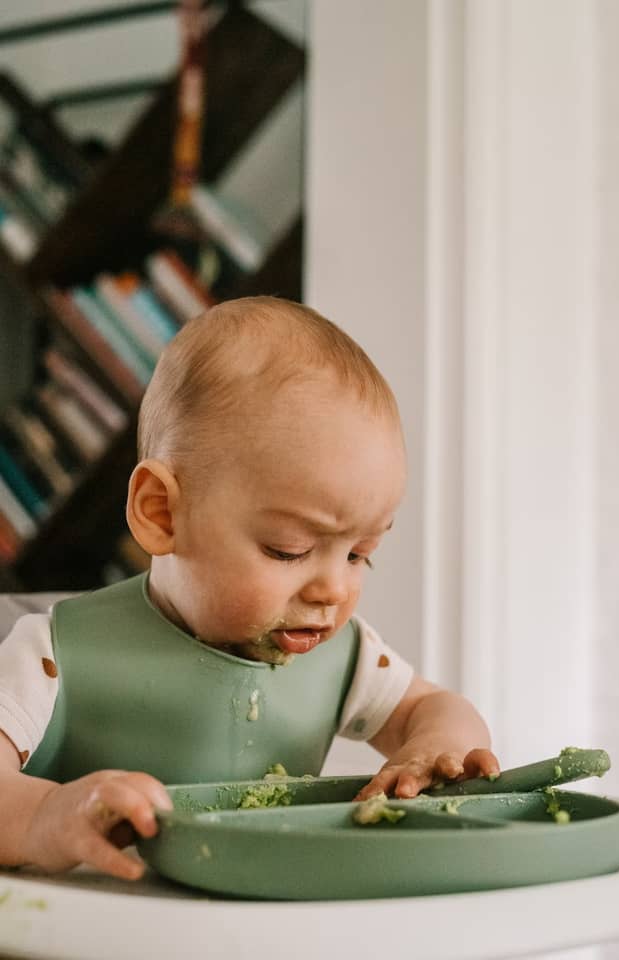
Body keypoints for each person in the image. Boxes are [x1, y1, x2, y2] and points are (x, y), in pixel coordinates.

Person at [0, 296, 499, 881]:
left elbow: (431, 707)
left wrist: (434, 747)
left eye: (362, 554)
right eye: (288, 550)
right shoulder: (53, 654)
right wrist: (46, 817)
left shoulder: (347, 658)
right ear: (162, 513)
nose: (333, 589)